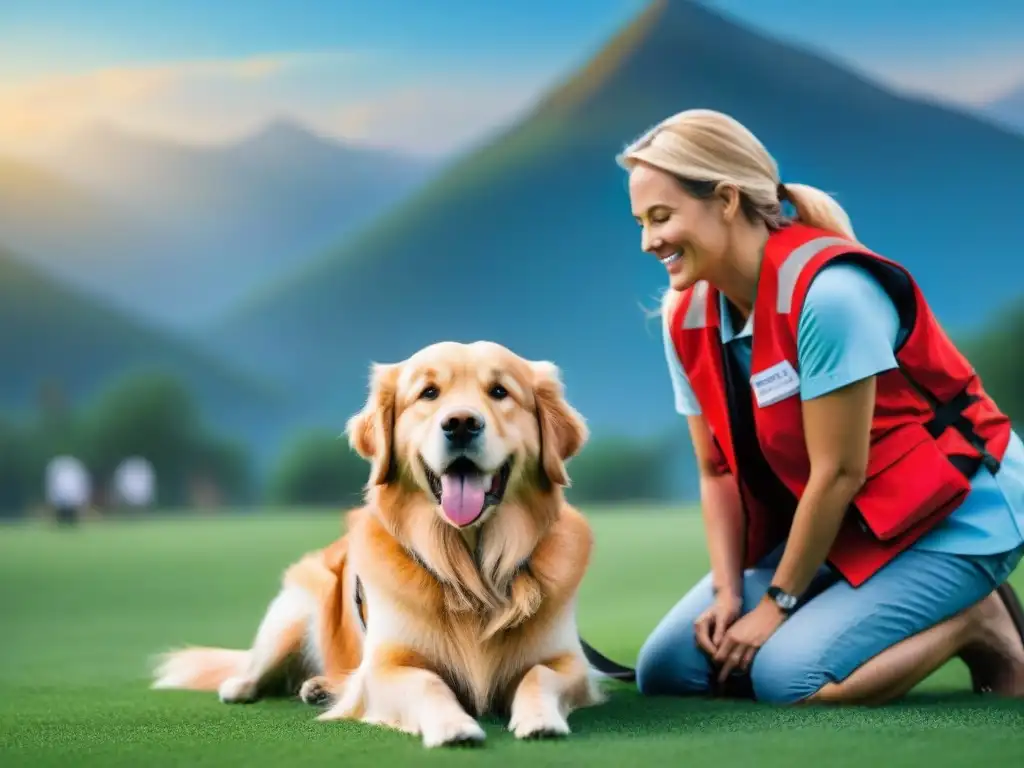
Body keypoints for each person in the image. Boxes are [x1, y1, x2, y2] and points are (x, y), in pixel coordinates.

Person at [617, 108, 1024, 705]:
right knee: (672, 670)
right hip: (853, 524)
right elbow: (716, 470)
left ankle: (977, 623)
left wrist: (777, 605)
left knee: (789, 679)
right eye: (641, 222)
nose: (650, 241)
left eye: (662, 217)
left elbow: (838, 473)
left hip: (957, 515)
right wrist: (729, 596)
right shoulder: (685, 315)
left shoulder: (830, 298)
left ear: (726, 199)